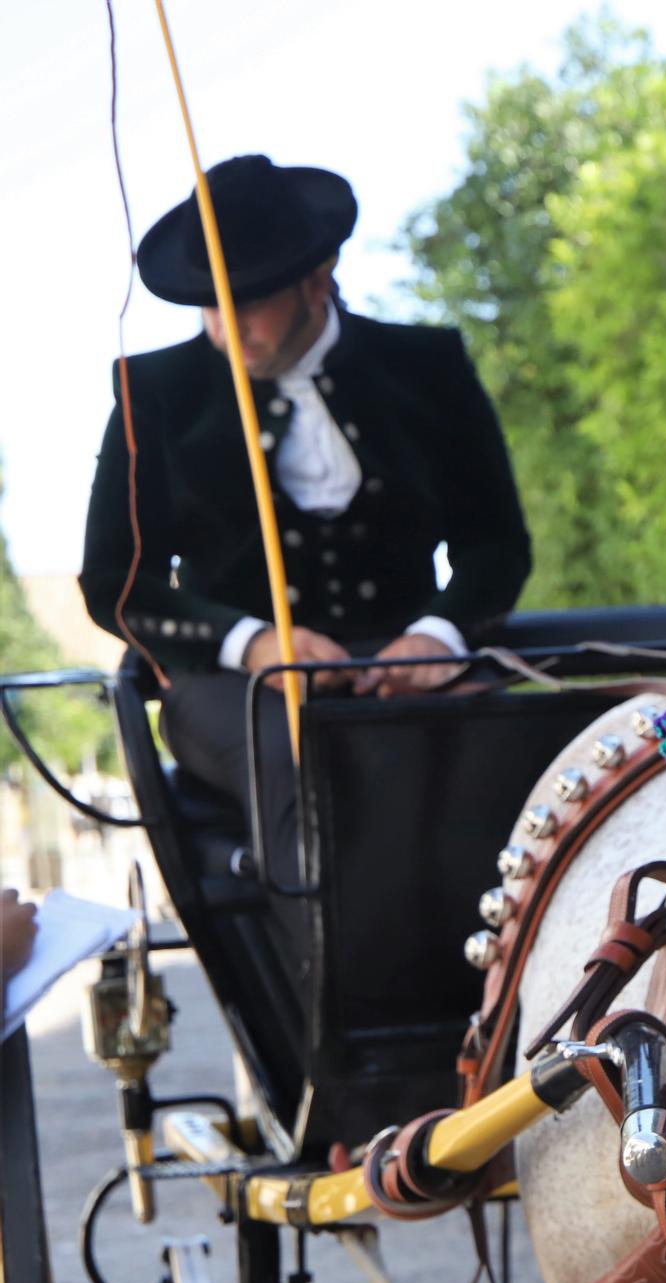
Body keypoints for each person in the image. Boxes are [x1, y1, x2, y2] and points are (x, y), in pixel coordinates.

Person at [79, 155, 532, 883]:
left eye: (247, 302)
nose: (226, 329)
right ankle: (343, 994)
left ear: (316, 280)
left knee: (513, 752)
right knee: (305, 761)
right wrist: (252, 643)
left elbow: (496, 545)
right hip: (231, 683)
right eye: (210, 305)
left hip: (407, 659)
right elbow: (116, 582)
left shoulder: (428, 366)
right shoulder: (154, 393)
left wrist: (437, 637)